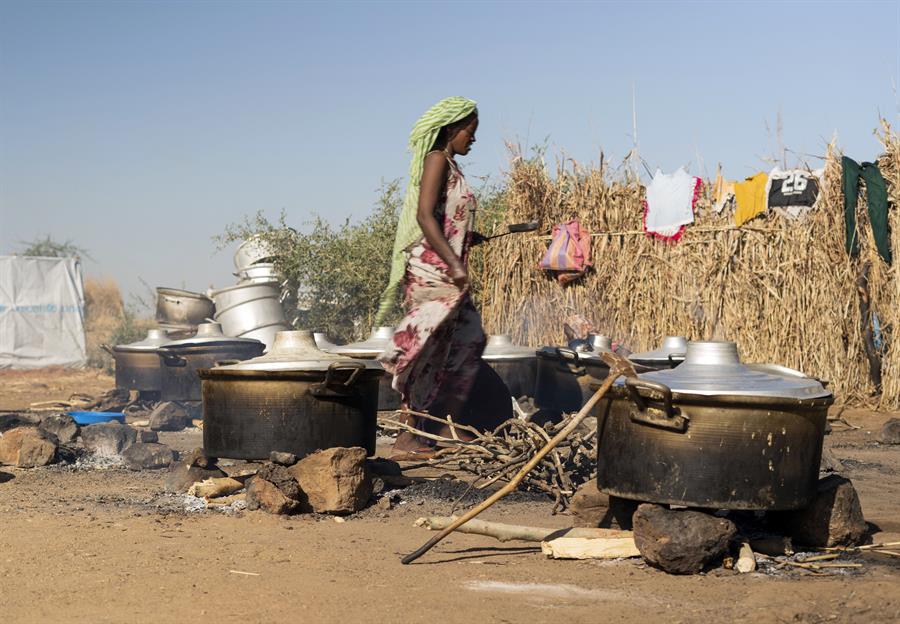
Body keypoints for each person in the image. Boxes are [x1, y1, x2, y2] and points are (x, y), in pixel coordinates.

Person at [376, 96, 492, 457]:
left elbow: (444, 218)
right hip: (434, 269)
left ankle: (444, 426)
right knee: (427, 345)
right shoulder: (436, 159)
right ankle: (408, 434)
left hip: (447, 266)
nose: (472, 139)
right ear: (452, 129)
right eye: (469, 132)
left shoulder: (453, 167)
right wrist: (455, 265)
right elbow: (425, 217)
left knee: (465, 343)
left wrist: (467, 237)